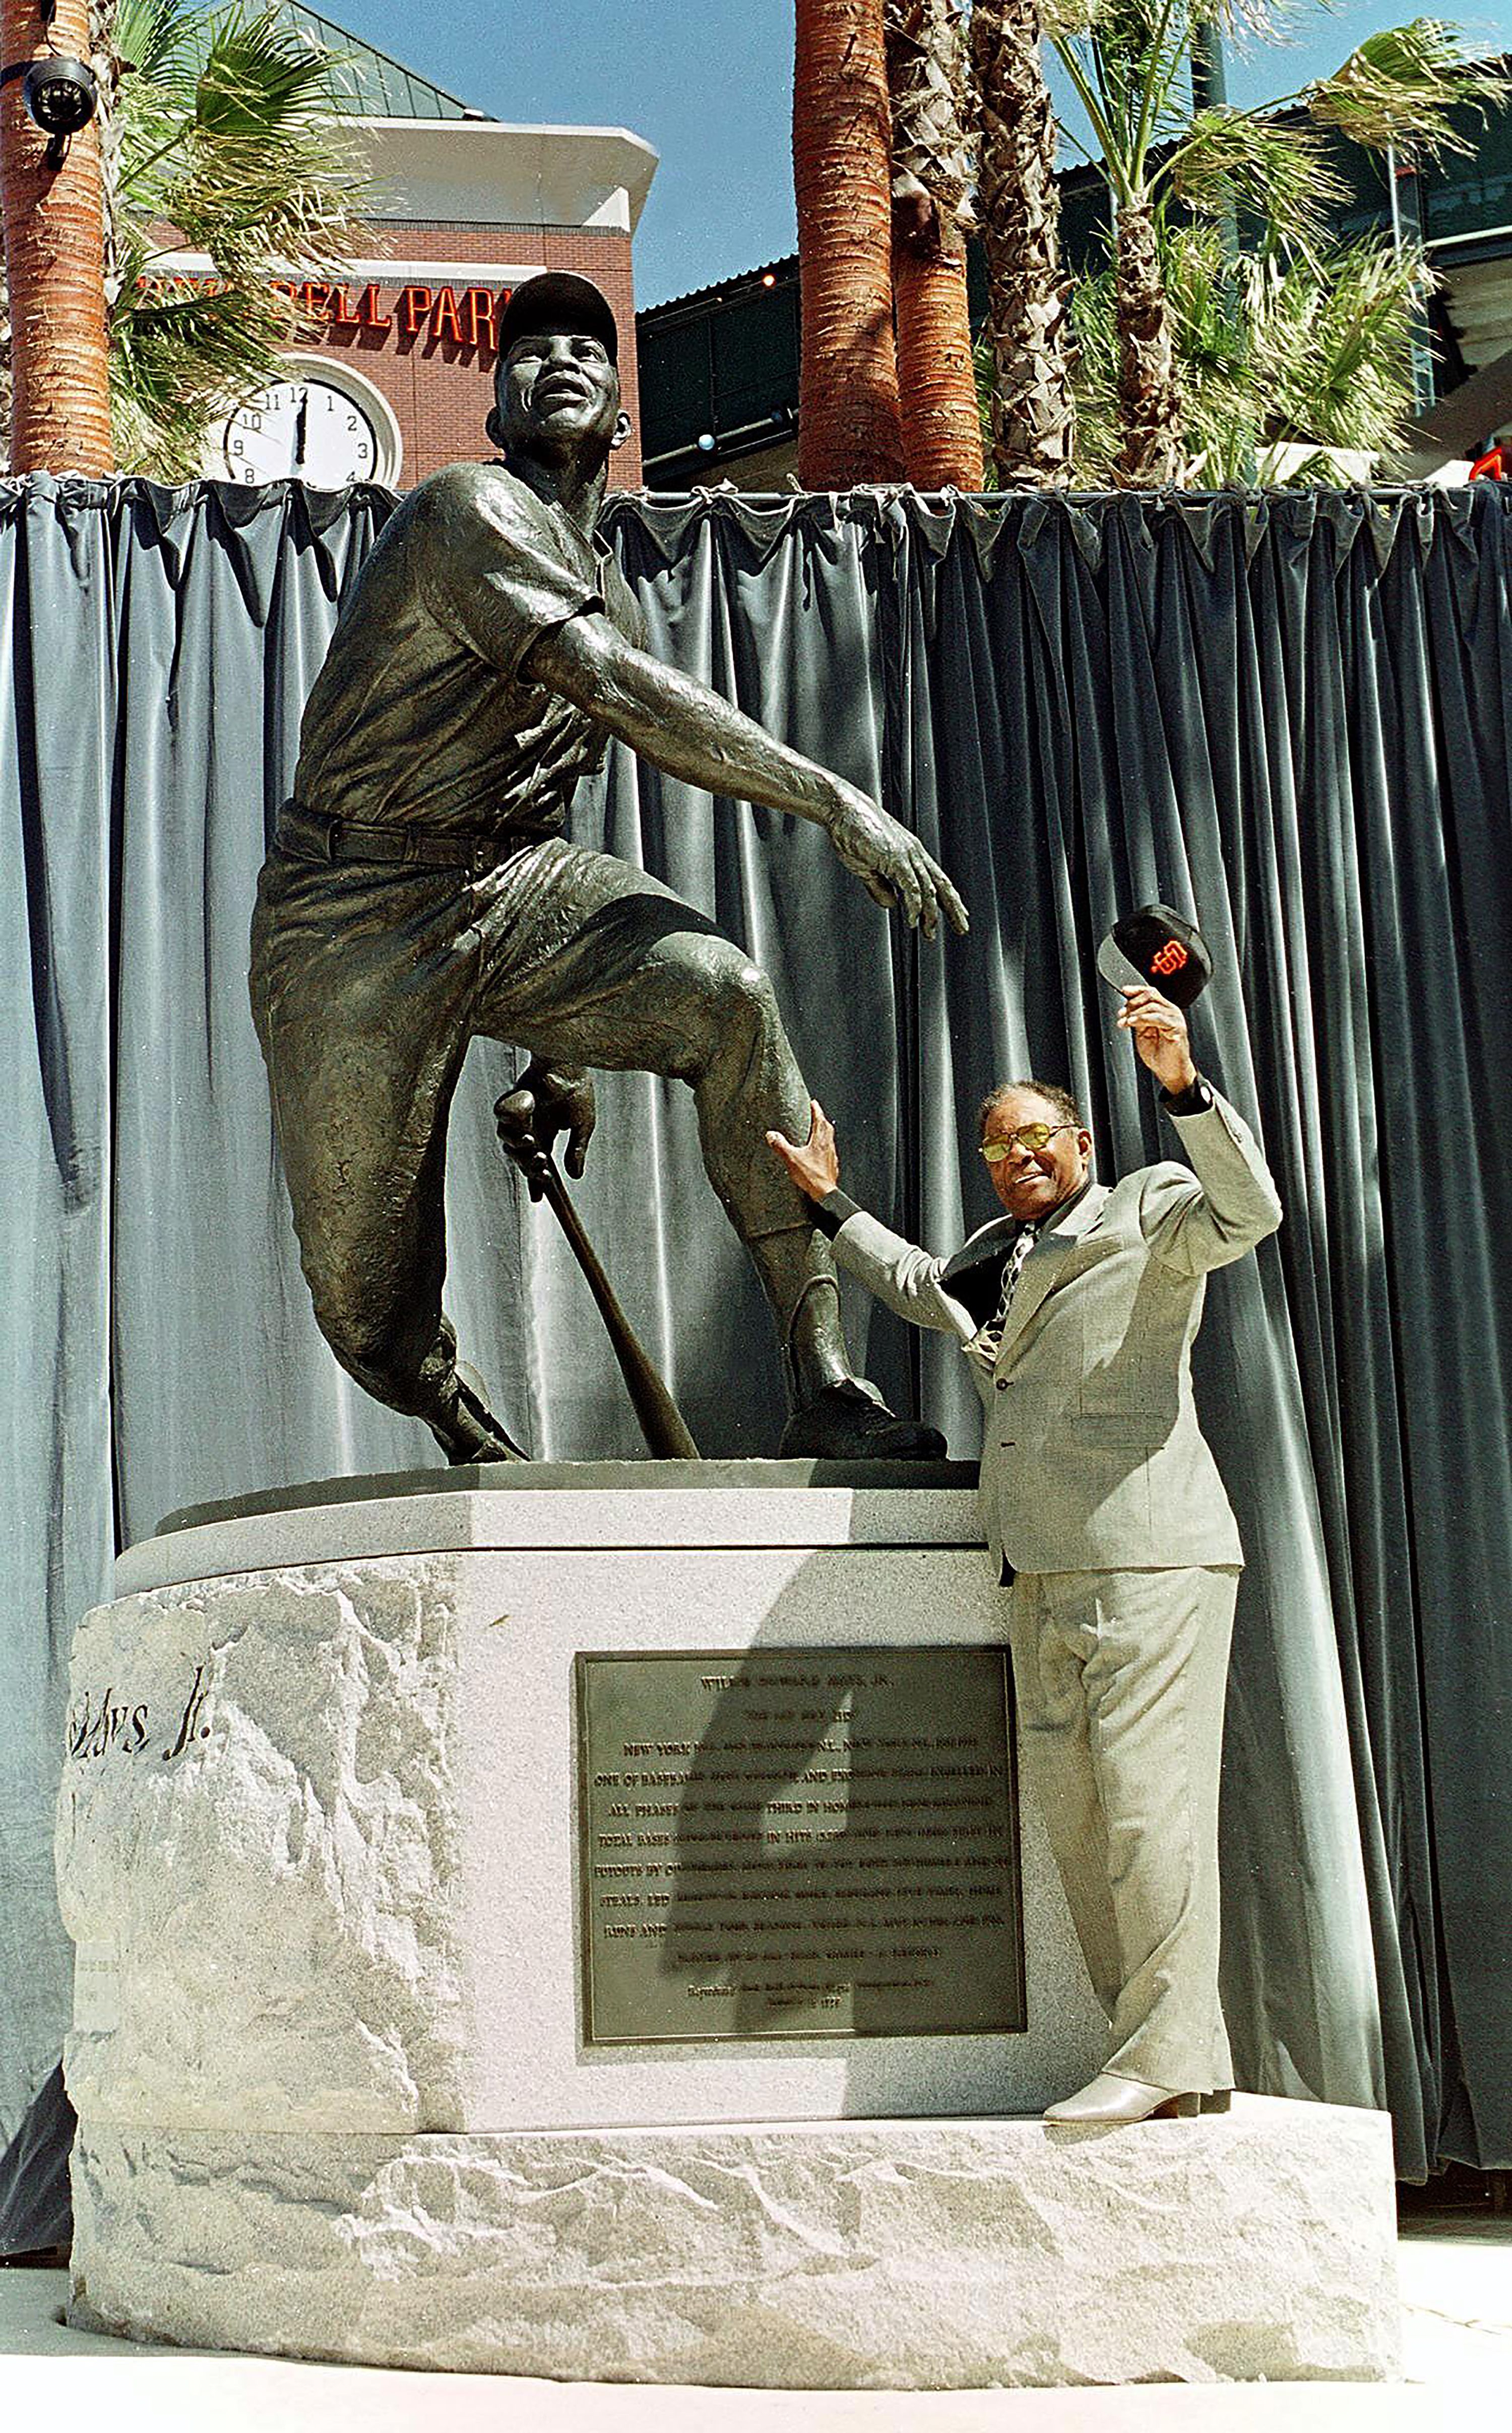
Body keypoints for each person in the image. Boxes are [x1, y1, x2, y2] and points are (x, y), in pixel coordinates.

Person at [250, 272, 967, 1464]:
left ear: (627, 424)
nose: (563, 359)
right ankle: (472, 1443)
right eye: (531, 351)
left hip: (510, 886)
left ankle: (824, 1377)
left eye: (591, 346)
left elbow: (542, 803)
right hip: (353, 909)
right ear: (492, 410)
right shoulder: (465, 510)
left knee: (727, 998)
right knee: (368, 1317)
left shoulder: (609, 589)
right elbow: (622, 694)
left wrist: (558, 1046)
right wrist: (836, 798)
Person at [768, 981, 1283, 2123]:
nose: (1016, 1157)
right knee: (1082, 1820)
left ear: (1083, 1143)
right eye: (997, 1145)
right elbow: (916, 1287)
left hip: (1146, 1558)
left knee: (1150, 1813)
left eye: (1036, 1137)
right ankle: (1164, 2055)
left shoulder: (1150, 1207)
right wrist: (829, 1200)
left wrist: (1184, 1085)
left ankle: (1165, 2057)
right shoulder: (996, 1253)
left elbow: (1251, 1212)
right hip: (1035, 1567)